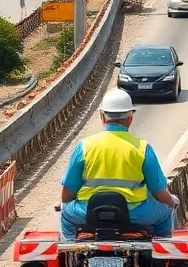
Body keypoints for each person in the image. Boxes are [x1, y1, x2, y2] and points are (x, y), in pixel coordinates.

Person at [59, 89, 179, 240]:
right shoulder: (142, 148)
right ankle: (161, 255)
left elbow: (67, 194)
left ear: (102, 117)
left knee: (65, 212)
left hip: (88, 212)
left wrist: (68, 203)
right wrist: (171, 201)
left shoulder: (84, 147)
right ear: (130, 118)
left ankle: (70, 249)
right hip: (135, 213)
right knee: (164, 212)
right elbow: (158, 192)